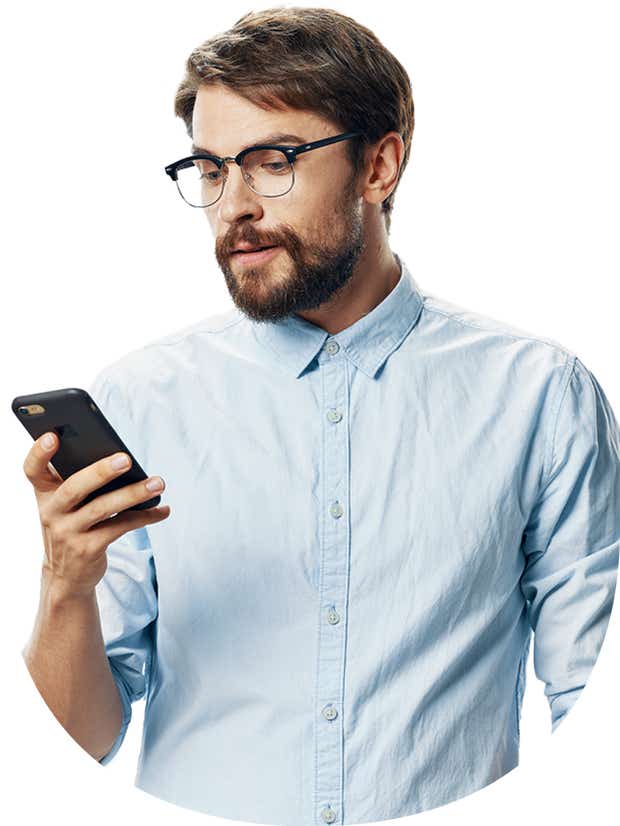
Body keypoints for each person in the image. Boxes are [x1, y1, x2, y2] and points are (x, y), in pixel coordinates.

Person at [21, 7, 620, 825]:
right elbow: (78, 743)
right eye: (210, 170)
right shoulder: (140, 400)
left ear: (380, 166)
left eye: (273, 161)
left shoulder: (540, 397)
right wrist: (65, 586)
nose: (234, 204)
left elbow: (593, 706)